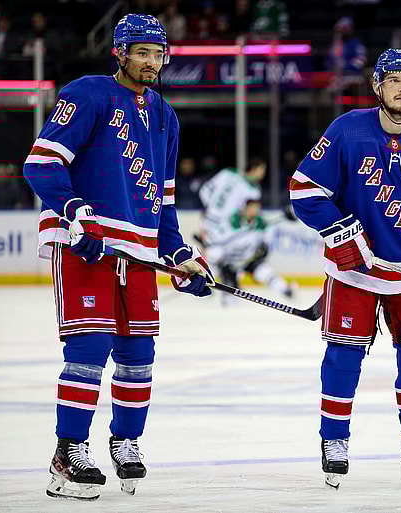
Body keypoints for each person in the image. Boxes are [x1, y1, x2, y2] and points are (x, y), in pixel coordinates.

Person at [22, 13, 214, 501]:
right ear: (120, 53)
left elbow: (163, 203)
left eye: (158, 53)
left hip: (139, 253)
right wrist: (74, 214)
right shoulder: (87, 94)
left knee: (138, 358)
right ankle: (68, 453)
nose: (151, 62)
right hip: (87, 246)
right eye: (142, 52)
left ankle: (126, 442)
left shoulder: (166, 117)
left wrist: (179, 253)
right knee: (88, 350)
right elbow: (41, 164)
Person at [289, 48, 401, 489]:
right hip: (356, 274)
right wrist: (338, 230)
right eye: (394, 79)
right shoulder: (347, 130)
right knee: (344, 356)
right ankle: (334, 440)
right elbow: (304, 189)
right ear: (377, 86)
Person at [198, 158, 294, 298]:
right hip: (226, 226)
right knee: (215, 255)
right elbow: (247, 215)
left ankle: (211, 286)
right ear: (255, 168)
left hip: (209, 220)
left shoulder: (228, 172)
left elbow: (204, 191)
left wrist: (210, 212)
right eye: (262, 169)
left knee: (214, 254)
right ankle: (215, 284)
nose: (263, 174)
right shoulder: (253, 190)